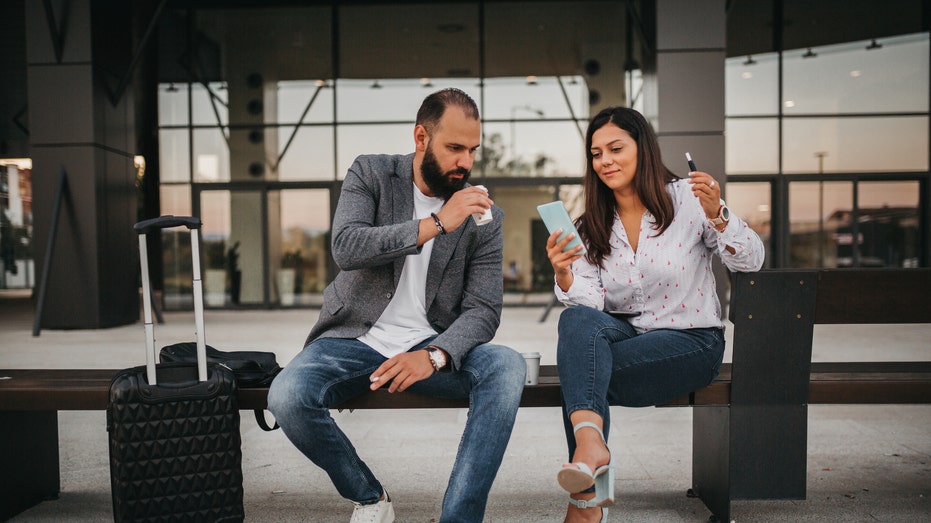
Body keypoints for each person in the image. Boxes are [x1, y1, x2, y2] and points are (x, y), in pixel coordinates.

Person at [267, 88, 526, 523]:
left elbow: (484, 309)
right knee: (288, 396)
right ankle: (370, 497)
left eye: (472, 150)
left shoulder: (484, 217)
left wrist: (435, 354)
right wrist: (438, 223)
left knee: (507, 366)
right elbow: (347, 247)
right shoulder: (371, 173)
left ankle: (458, 519)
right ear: (421, 137)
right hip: (354, 338)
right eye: (454, 148)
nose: (465, 161)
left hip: (429, 343)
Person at [544, 107, 765, 523]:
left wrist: (718, 214)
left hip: (690, 343)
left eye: (615, 148)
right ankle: (591, 449)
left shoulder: (688, 200)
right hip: (628, 339)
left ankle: (586, 498)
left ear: (642, 147)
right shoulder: (590, 223)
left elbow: (751, 262)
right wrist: (564, 272)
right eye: (596, 153)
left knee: (582, 374)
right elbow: (589, 304)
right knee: (575, 324)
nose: (605, 160)